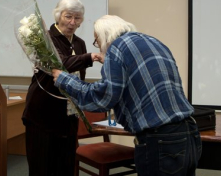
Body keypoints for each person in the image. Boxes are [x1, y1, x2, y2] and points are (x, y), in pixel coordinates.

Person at [52, 15, 202, 176]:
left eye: (97, 41)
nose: (99, 47)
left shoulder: (117, 48)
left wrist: (65, 80)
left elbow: (104, 97)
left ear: (105, 36)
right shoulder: (154, 42)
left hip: (159, 140)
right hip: (190, 133)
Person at [22, 0, 101, 176]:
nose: (73, 22)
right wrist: (91, 57)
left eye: (77, 18)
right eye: (68, 16)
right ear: (58, 16)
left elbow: (79, 76)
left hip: (68, 115)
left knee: (66, 166)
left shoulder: (79, 43)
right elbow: (61, 65)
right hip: (42, 114)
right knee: (42, 167)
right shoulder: (44, 39)